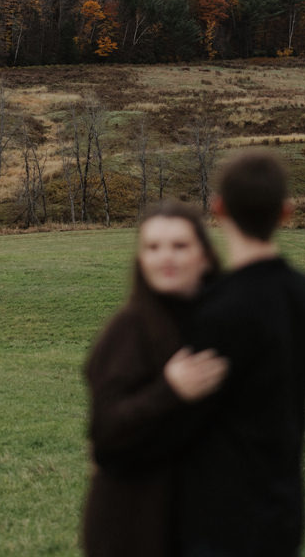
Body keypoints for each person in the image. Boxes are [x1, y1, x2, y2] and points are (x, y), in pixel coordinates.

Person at [172, 149, 305, 557]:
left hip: (219, 514)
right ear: (286, 212)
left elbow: (186, 417)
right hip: (284, 504)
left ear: (218, 208)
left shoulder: (216, 308)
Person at [82, 200, 229, 557]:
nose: (166, 257)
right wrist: (170, 390)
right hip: (134, 524)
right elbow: (105, 435)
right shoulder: (127, 331)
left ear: (205, 256)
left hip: (206, 520)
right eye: (152, 247)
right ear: (141, 259)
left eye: (179, 246)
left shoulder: (221, 327)